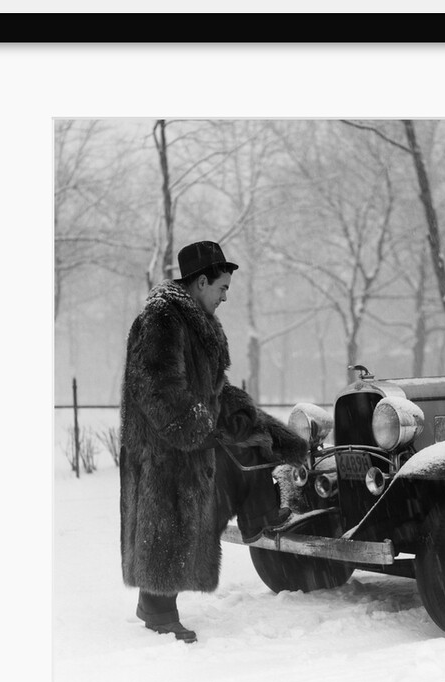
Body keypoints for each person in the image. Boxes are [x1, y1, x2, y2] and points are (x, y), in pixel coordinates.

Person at [119, 240, 308, 643]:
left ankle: (260, 515)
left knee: (233, 465)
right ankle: (156, 610)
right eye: (221, 288)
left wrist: (257, 423)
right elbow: (155, 386)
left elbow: (214, 390)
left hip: (190, 441)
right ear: (201, 281)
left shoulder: (196, 323)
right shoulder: (161, 319)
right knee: (166, 520)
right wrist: (198, 427)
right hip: (161, 448)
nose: (225, 297)